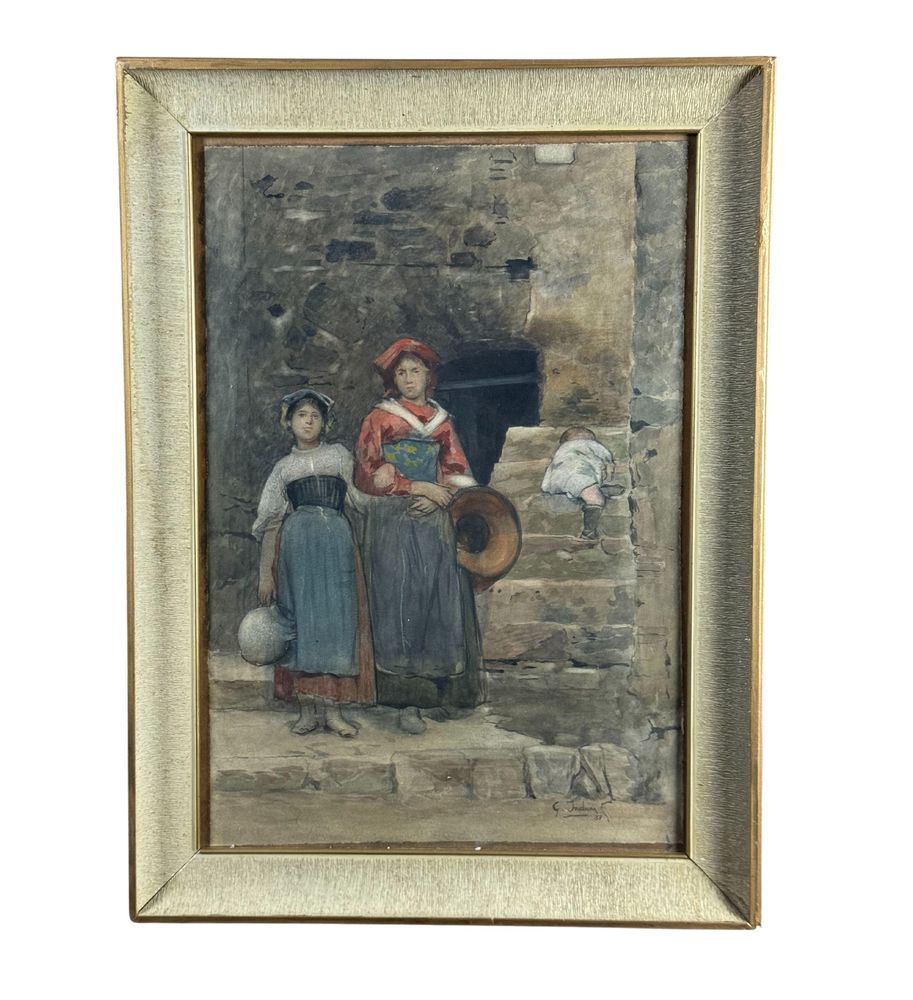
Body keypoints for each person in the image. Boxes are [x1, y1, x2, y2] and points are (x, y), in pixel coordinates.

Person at [354, 338, 481, 734]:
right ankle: (405, 699)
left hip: (434, 521)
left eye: (416, 371)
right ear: (393, 379)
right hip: (393, 520)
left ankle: (443, 693)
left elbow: (456, 469)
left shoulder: (442, 421)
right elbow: (366, 473)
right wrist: (415, 488)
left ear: (429, 376)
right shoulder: (379, 418)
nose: (409, 379)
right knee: (399, 599)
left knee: (437, 599)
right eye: (401, 373)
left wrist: (442, 496)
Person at [252, 388, 375, 737]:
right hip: (296, 552)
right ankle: (307, 710)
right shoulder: (283, 468)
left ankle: (334, 712)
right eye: (301, 415)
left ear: (325, 422)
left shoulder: (338, 456)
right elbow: (271, 522)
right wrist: (265, 574)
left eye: (315, 416)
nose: (308, 422)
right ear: (289, 422)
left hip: (337, 546)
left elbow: (361, 500)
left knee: (337, 624)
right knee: (302, 625)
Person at [540, 426, 616, 540]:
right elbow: (605, 455)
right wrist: (610, 465)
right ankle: (588, 532)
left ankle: (597, 491)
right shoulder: (588, 444)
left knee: (583, 488)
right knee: (596, 499)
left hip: (556, 478)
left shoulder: (562, 450)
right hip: (577, 475)